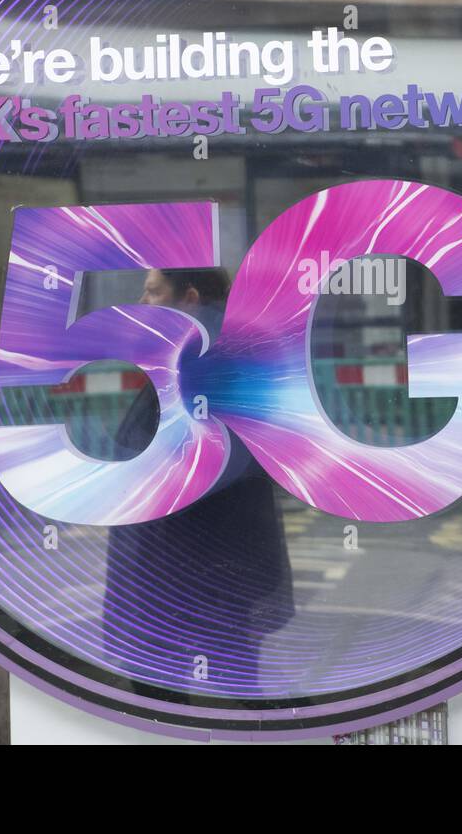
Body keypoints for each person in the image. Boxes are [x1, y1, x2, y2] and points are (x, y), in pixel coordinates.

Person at [100, 268, 294, 696]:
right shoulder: (200, 357)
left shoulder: (200, 364)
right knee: (231, 687)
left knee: (182, 695)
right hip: (206, 571)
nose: (142, 301)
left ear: (189, 298)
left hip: (191, 570)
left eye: (153, 292)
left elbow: (200, 466)